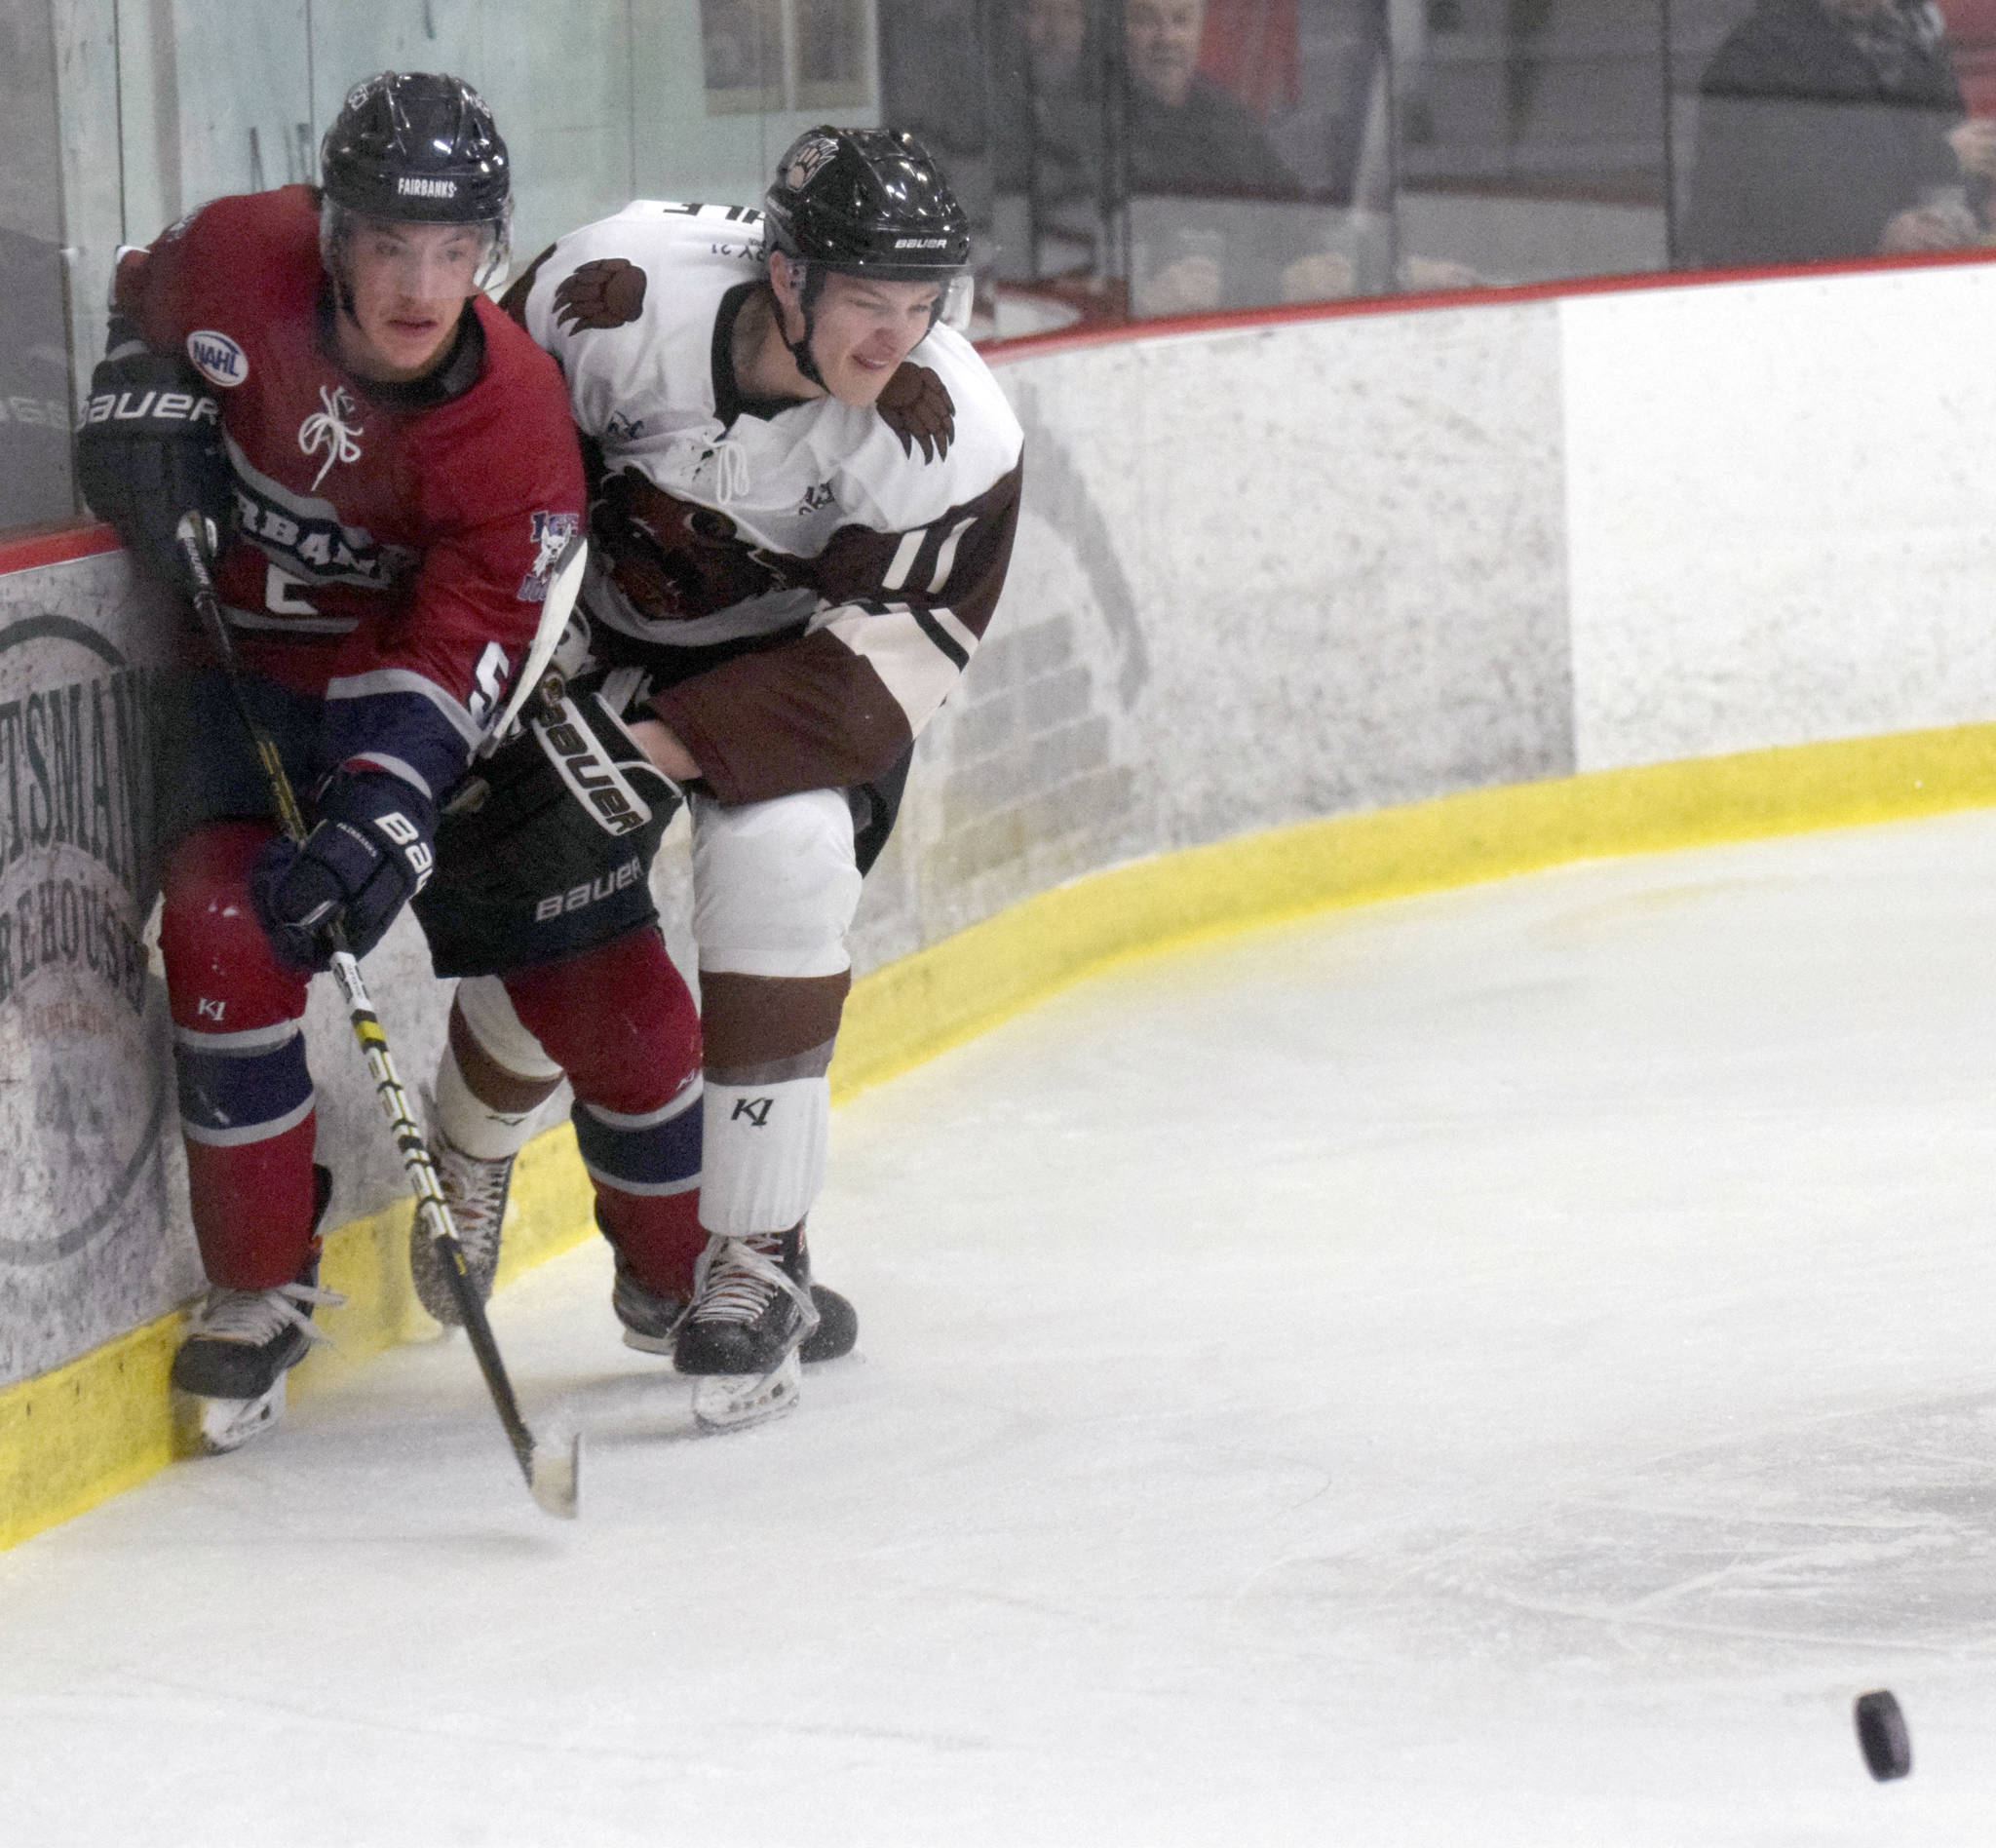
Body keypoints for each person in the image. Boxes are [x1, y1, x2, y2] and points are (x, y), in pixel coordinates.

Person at [409, 127, 1025, 1432]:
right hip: (589, 639)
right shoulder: (613, 294)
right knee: (561, 899)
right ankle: (468, 1142)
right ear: (786, 277)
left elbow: (894, 660)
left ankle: (753, 1259)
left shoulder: (955, 432)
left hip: (790, 688)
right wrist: (538, 693)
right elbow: (485, 472)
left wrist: (653, 754)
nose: (897, 342)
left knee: (785, 863)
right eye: (869, 302)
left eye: (923, 308)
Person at [71, 71, 587, 1453]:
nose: (421, 285)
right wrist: (139, 387)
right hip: (231, 688)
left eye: (455, 251)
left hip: (381, 696)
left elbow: (472, 628)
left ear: (489, 248)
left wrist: (386, 808)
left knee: (547, 937)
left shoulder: (518, 421)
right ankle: (260, 1289)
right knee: (226, 935)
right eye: (388, 246)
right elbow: (140, 290)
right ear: (331, 229)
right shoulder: (238, 254)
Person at [1685, 0, 1993, 264]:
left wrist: (1974, 204)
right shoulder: (1761, 51)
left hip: (1919, 277)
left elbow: (1950, 142)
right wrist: (1878, 229)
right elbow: (1779, 186)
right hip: (1799, 286)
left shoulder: (1914, 36)